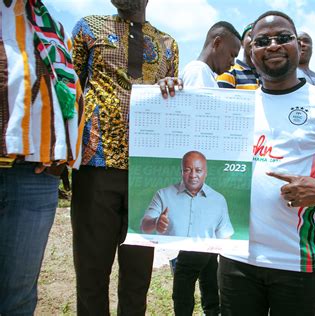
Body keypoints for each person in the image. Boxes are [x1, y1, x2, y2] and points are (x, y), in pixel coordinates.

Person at [217, 11, 315, 316]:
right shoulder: (235, 106)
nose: (273, 45)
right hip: (236, 257)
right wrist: (169, 92)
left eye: (283, 37)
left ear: (298, 46)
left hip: (297, 261)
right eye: (262, 41)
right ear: (251, 53)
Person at [70, 0, 181, 314]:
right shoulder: (87, 28)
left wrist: (173, 89)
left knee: (137, 276)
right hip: (95, 167)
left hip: (146, 175)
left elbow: (173, 105)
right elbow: (69, 90)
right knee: (91, 271)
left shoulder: (168, 44)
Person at [0, 0, 84, 314]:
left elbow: (70, 94)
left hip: (34, 177)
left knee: (18, 294)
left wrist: (61, 158)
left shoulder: (54, 28)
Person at [171, 21, 240, 316]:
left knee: (208, 260)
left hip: (198, 182)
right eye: (232, 53)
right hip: (199, 182)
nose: (232, 62)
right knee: (190, 264)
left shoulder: (199, 72)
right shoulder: (199, 72)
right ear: (217, 41)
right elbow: (202, 125)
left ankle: (214, 311)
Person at [141, 150, 234, 238]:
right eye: (187, 170)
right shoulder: (163, 195)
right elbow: (144, 226)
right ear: (181, 172)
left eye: (198, 170)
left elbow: (225, 238)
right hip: (170, 254)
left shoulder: (218, 200)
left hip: (205, 255)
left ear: (206, 173)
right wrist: (156, 222)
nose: (193, 175)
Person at [181, 21, 241, 88]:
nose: (233, 63)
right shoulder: (198, 71)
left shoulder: (205, 74)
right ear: (217, 43)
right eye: (232, 55)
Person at [216, 23, 259, 90]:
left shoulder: (267, 75)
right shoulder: (229, 72)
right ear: (242, 43)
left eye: (259, 37)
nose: (254, 40)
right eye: (250, 35)